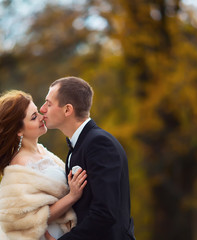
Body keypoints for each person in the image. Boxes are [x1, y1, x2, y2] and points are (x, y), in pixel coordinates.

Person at [0, 90, 87, 240]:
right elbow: (26, 220)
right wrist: (72, 196)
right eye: (33, 117)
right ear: (19, 130)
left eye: (37, 112)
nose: (41, 117)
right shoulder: (20, 165)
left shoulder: (43, 151)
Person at [40, 76, 136, 240]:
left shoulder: (99, 144)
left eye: (49, 104)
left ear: (67, 110)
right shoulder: (79, 146)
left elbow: (105, 213)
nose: (42, 109)